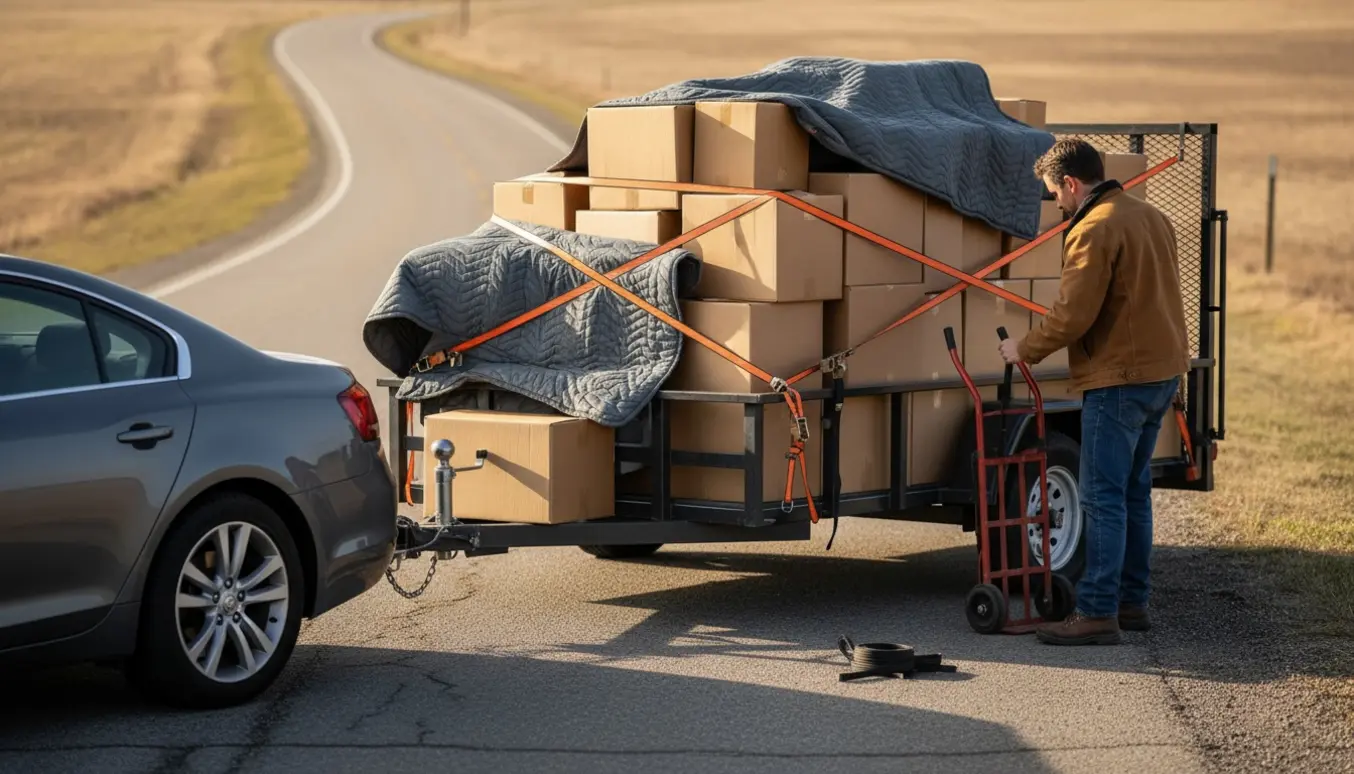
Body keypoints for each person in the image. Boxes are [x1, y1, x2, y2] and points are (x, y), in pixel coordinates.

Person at [998, 138, 1190, 646]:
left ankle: (1097, 612)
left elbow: (1074, 314)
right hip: (1161, 372)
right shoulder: (1151, 216)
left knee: (1101, 497)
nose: (1056, 205)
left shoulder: (1093, 229)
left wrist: (1026, 349)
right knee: (1132, 492)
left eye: (1054, 194)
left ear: (1071, 184)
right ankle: (1132, 602)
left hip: (1119, 379)